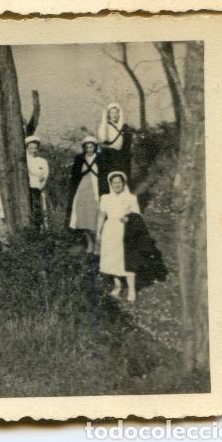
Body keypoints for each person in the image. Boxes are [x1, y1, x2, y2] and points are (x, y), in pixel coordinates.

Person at [98, 171, 142, 300]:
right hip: (110, 230)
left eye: (119, 182)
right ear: (110, 184)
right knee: (113, 259)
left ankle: (132, 290)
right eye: (114, 182)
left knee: (127, 259)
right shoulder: (105, 198)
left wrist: (129, 218)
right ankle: (117, 286)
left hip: (126, 231)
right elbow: (101, 216)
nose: (117, 185)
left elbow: (138, 216)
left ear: (124, 183)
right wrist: (98, 232)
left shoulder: (131, 198)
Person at [68, 135, 110, 254]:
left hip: (97, 189)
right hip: (83, 189)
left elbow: (105, 175)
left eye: (91, 147)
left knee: (95, 216)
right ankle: (89, 243)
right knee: (84, 217)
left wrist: (105, 192)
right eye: (87, 147)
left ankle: (97, 244)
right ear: (84, 148)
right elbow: (75, 175)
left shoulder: (101, 158)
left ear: (95, 147)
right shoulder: (80, 158)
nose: (89, 149)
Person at [98, 101, 134, 175]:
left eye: (116, 113)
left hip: (121, 155)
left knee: (122, 175)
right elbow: (102, 138)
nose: (114, 115)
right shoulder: (106, 126)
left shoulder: (122, 126)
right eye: (112, 113)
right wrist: (104, 121)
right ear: (109, 114)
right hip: (110, 154)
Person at [25, 135, 50, 229]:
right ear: (27, 148)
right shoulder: (25, 160)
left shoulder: (42, 161)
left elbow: (46, 174)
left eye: (35, 148)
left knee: (40, 210)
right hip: (29, 188)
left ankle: (42, 230)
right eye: (31, 148)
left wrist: (42, 184)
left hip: (40, 188)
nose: (33, 151)